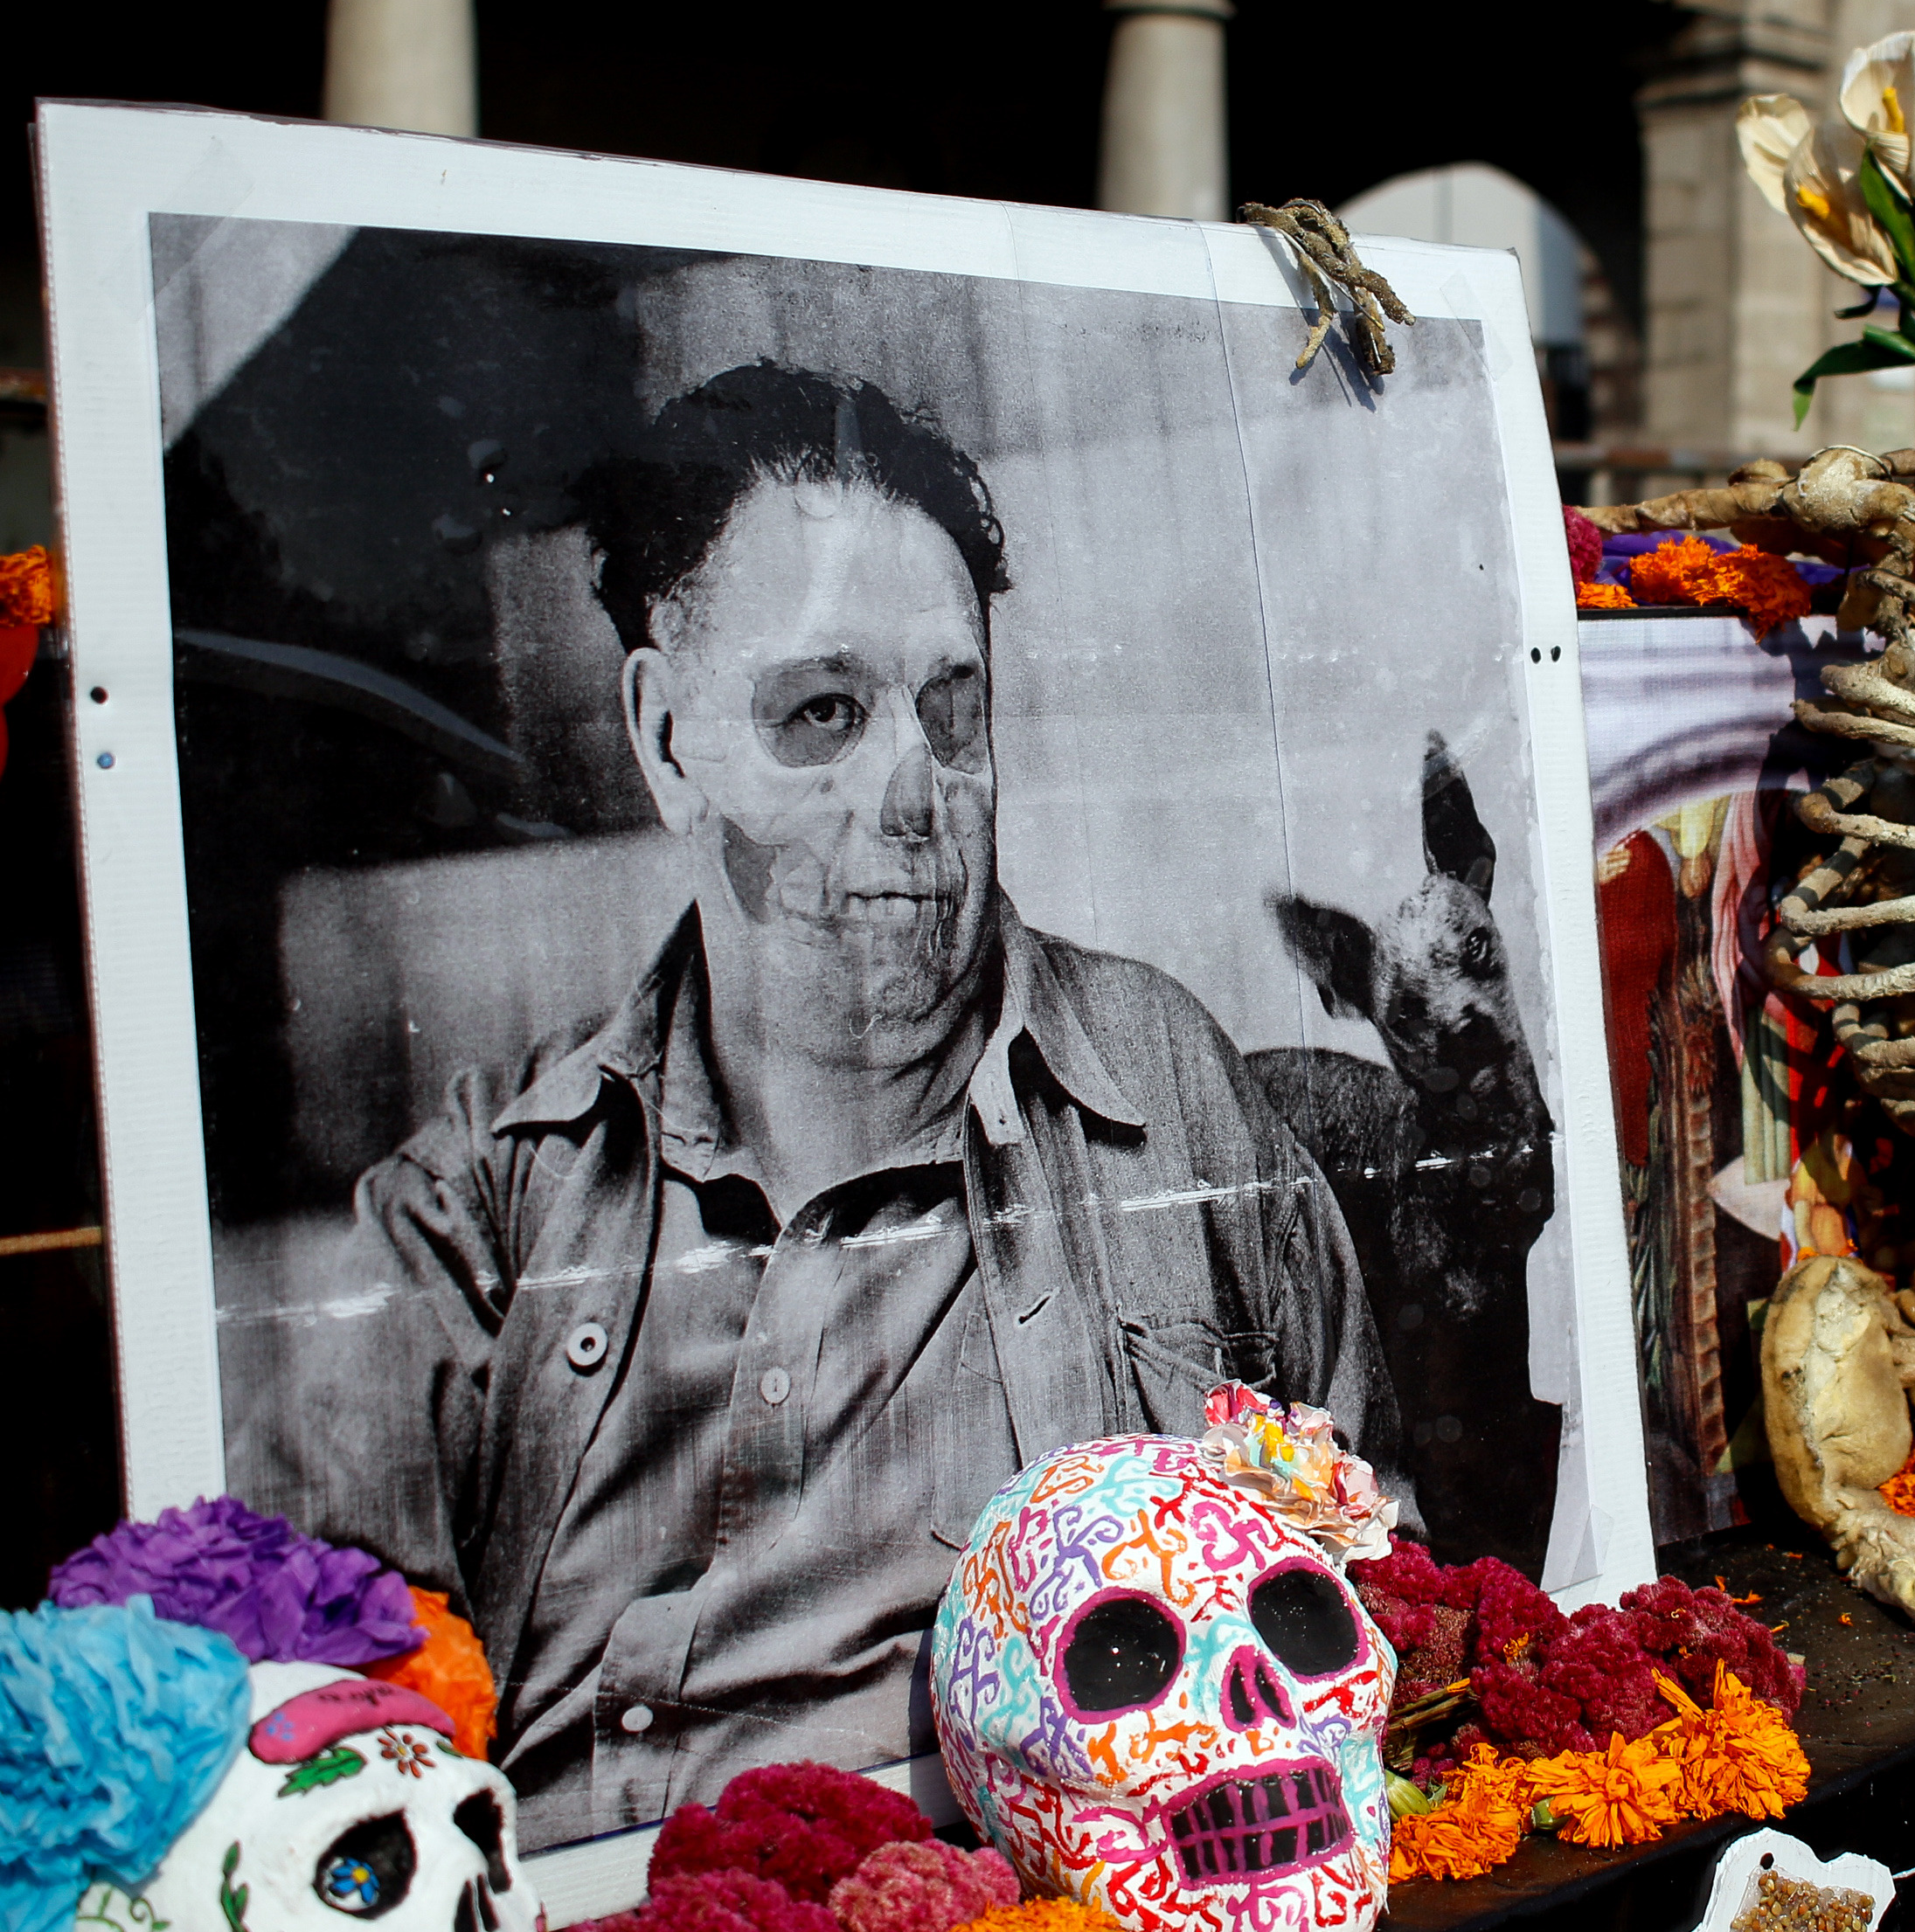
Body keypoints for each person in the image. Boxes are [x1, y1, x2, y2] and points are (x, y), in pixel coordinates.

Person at [288, 361, 1402, 1841]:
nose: (914, 791)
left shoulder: (1168, 1094)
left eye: (954, 710)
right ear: (666, 740)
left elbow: (1379, 1609)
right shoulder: (487, 1204)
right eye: (822, 711)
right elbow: (293, 1749)